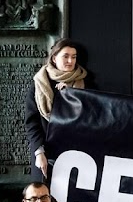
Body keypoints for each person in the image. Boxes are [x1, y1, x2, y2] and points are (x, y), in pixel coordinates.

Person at [25, 38, 90, 182]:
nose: (70, 61)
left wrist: (71, 95)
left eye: (73, 57)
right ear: (54, 58)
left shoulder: (86, 82)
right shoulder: (40, 84)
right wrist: (39, 153)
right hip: (46, 152)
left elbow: (91, 115)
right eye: (65, 56)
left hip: (77, 152)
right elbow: (32, 122)